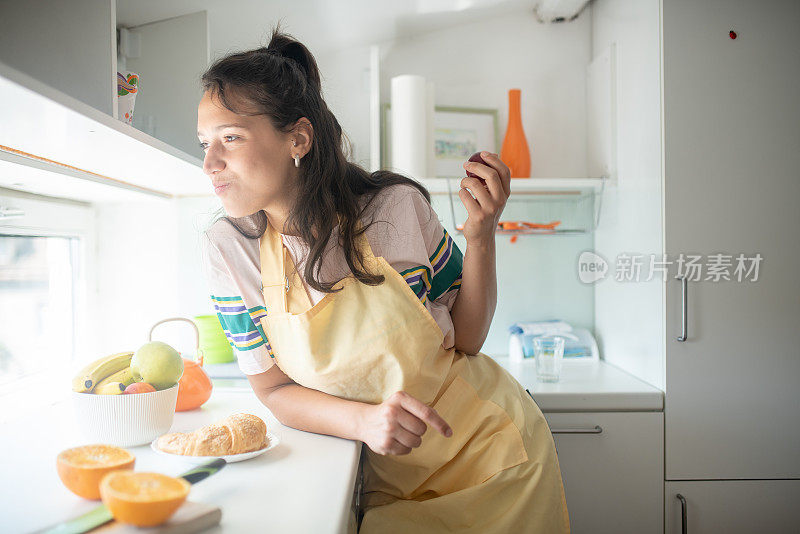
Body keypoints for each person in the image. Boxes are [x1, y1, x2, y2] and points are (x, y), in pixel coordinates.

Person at [198, 23, 569, 534]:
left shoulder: (395, 206)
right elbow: (273, 388)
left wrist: (481, 236)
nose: (210, 163)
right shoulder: (229, 249)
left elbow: (468, 338)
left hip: (494, 456)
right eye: (204, 143)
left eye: (230, 138)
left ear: (298, 138)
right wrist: (365, 423)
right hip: (390, 477)